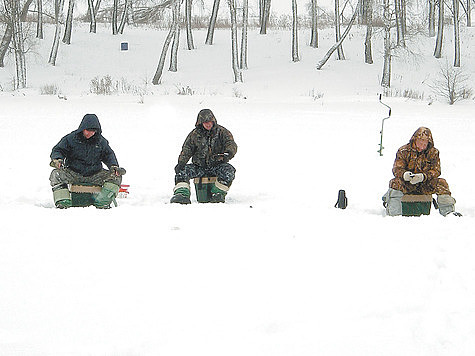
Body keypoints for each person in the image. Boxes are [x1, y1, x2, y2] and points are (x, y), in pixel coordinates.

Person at [49, 113, 125, 209]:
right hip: (73, 173)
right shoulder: (70, 139)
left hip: (95, 174)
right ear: (82, 128)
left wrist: (114, 167)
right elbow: (58, 150)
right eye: (88, 130)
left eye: (93, 131)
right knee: (56, 174)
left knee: (116, 177)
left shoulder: (101, 142)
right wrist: (57, 159)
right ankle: (63, 202)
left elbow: (109, 155)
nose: (90, 133)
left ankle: (102, 202)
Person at [382, 126, 458, 216]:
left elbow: (436, 170)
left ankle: (448, 212)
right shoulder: (403, 151)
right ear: (414, 140)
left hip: (425, 184)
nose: (421, 147)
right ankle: (393, 213)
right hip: (407, 184)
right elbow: (397, 169)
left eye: (424, 144)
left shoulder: (433, 153)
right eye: (420, 143)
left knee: (441, 183)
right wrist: (405, 175)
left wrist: (423, 177)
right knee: (395, 183)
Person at [170, 109, 237, 204]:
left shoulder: (222, 132)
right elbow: (187, 149)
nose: (208, 124)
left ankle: (218, 194)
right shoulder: (194, 134)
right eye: (205, 122)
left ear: (213, 121)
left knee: (229, 171)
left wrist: (227, 154)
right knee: (182, 171)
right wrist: (181, 162)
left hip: (217, 166)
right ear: (201, 123)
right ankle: (181, 195)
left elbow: (231, 144)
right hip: (199, 167)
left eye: (210, 121)